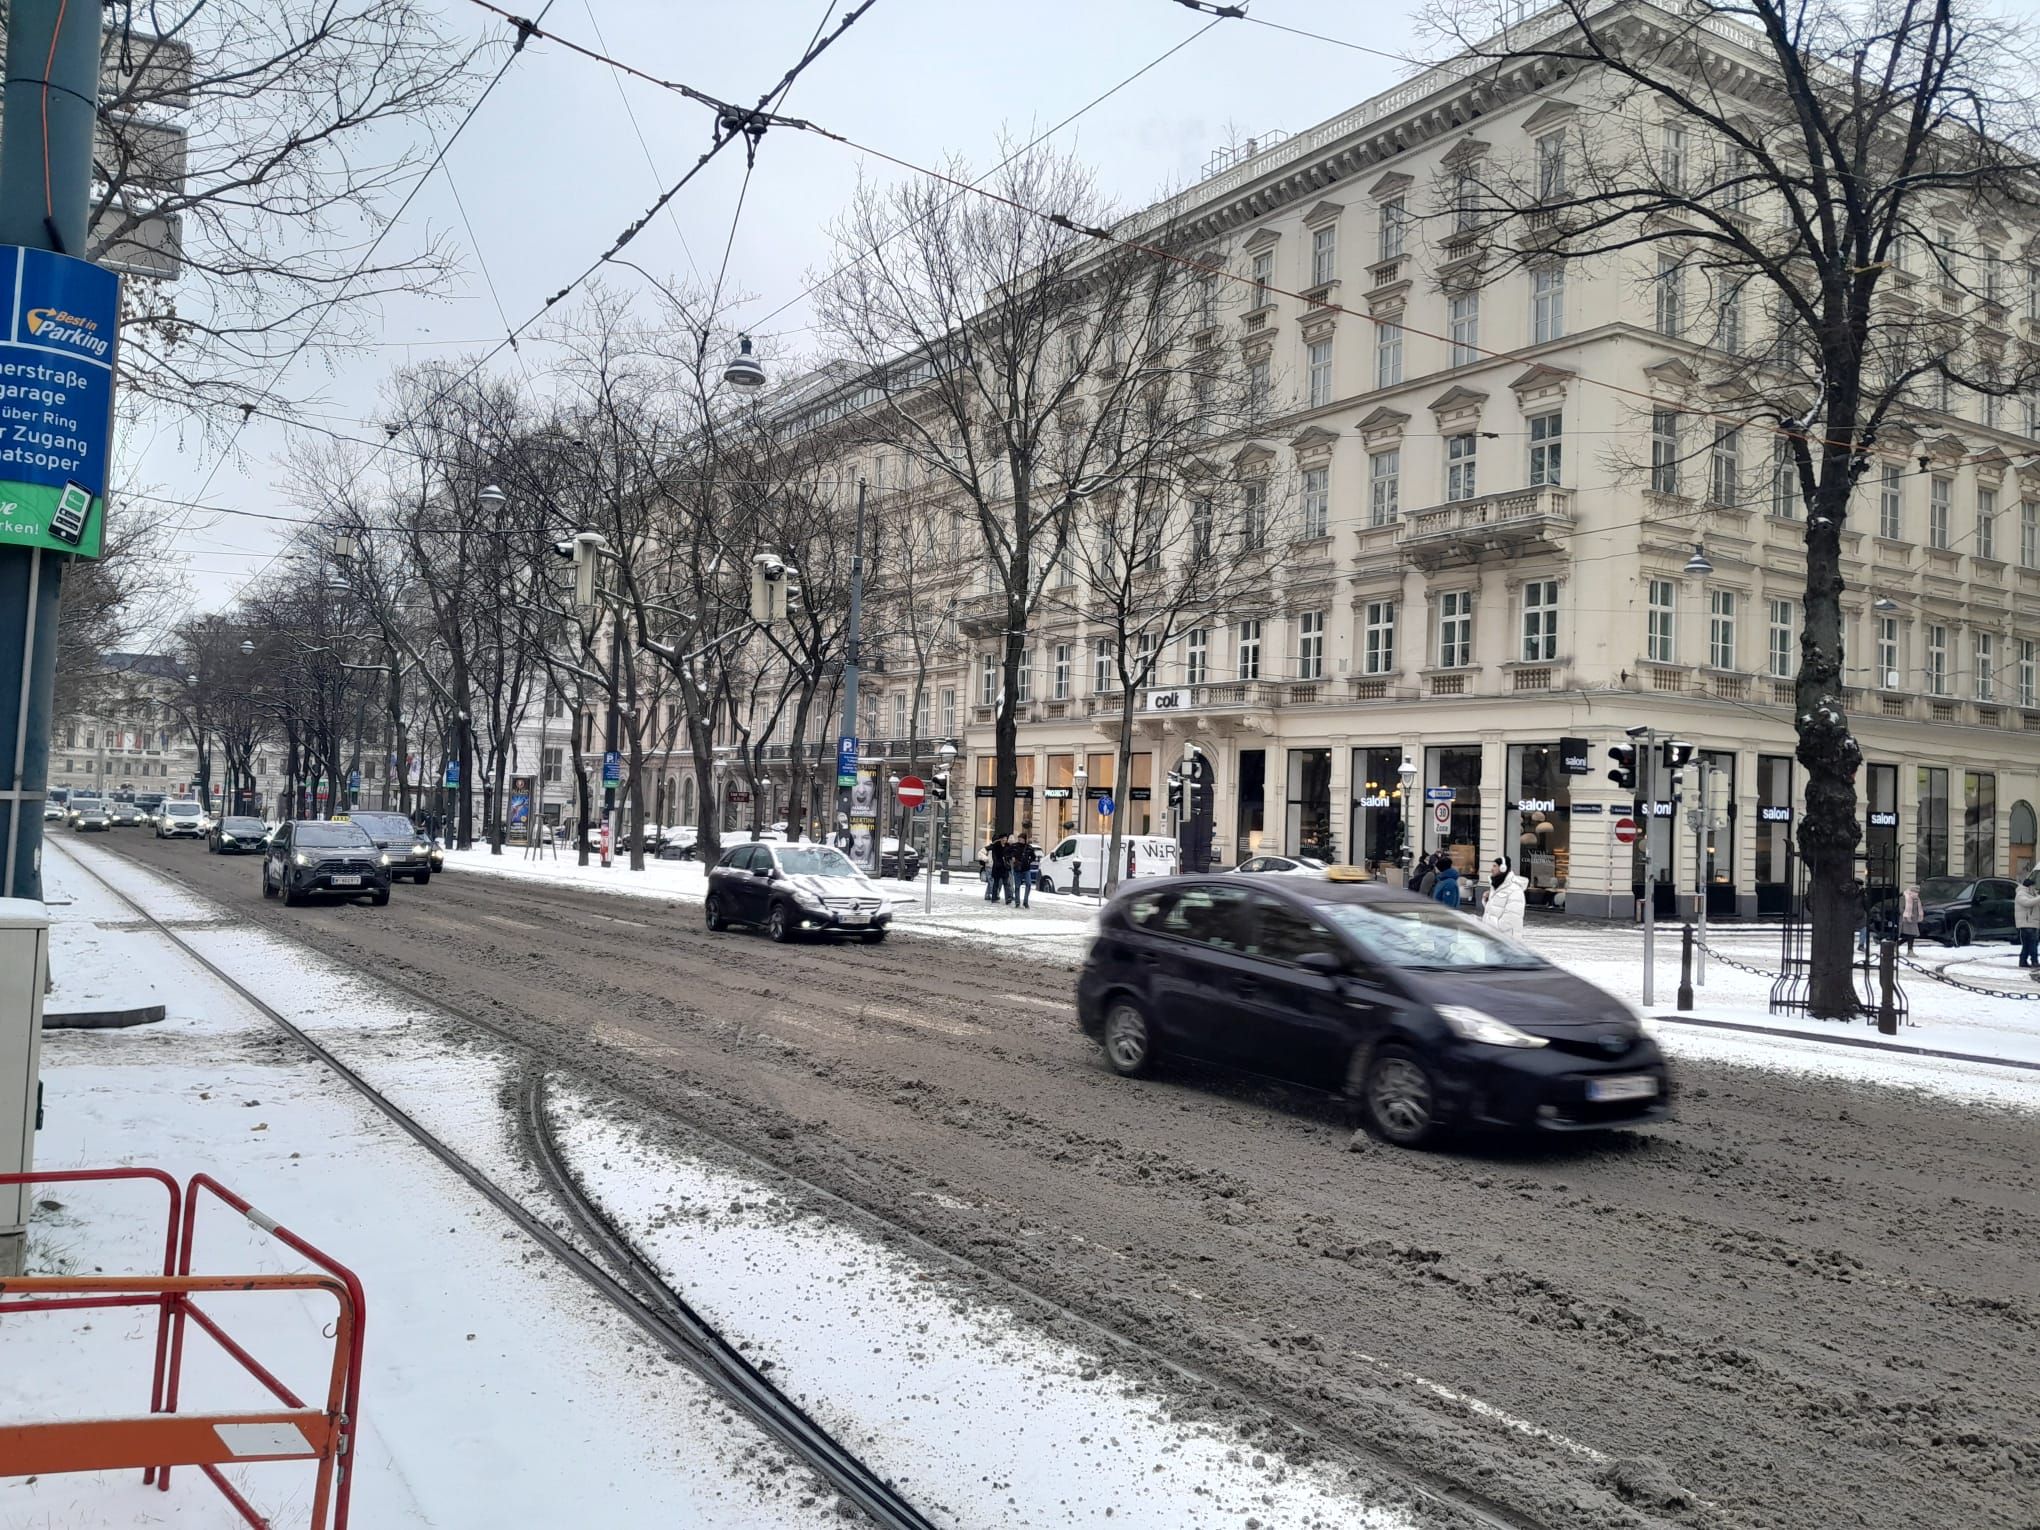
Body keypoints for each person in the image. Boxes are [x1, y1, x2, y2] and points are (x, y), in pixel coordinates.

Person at [1483, 857, 1528, 939]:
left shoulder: (1514, 889)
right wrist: (1487, 901)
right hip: (1493, 937)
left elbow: (1511, 918)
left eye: (1494, 866)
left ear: (1503, 868)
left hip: (1506, 940)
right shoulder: (1496, 887)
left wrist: (1493, 927)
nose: (1491, 869)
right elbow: (1495, 910)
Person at [2016, 872, 2040, 969]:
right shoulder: (2021, 894)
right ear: (2029, 886)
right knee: (2032, 943)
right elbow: (2027, 903)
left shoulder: (2033, 894)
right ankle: (2034, 962)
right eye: (2033, 886)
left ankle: (2023, 961)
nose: (2034, 888)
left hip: (2033, 923)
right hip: (2026, 923)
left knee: (2027, 944)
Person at [1898, 883, 1923, 954]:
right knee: (1909, 935)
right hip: (1906, 919)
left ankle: (1908, 950)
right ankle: (1908, 950)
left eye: (1918, 892)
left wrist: (1919, 915)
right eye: (1915, 891)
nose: (1917, 893)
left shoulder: (1917, 899)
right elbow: (1901, 908)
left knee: (1912, 935)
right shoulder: (1904, 897)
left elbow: (1918, 908)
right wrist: (1908, 914)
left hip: (1913, 920)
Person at [1012, 835, 1036, 907]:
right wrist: (1012, 858)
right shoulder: (1015, 846)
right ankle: (1017, 902)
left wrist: (1029, 861)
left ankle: (1025, 901)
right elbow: (1008, 852)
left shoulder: (1029, 847)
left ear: (1024, 840)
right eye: (1019, 839)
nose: (1019, 841)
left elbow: (1033, 856)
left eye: (1021, 839)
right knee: (1017, 886)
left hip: (1026, 868)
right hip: (1017, 868)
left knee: (1028, 884)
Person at [985, 834, 1010, 904]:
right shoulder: (996, 846)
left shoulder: (1008, 846)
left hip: (1004, 867)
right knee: (996, 883)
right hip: (997, 867)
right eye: (1003, 838)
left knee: (1006, 883)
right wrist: (997, 862)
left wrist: (1007, 859)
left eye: (1006, 839)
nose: (1005, 840)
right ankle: (994, 898)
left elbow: (1010, 854)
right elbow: (994, 856)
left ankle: (1007, 898)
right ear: (1000, 839)